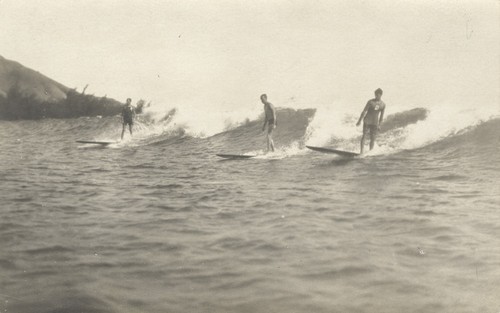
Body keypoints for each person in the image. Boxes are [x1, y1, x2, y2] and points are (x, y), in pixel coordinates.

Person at [356, 88, 386, 154]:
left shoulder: (383, 105)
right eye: (375, 95)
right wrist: (359, 120)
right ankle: (361, 152)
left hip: (375, 123)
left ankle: (370, 152)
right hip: (367, 121)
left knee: (373, 138)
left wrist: (379, 125)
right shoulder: (370, 102)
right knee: (364, 136)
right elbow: (364, 111)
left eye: (377, 95)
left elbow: (381, 116)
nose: (376, 96)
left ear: (381, 95)